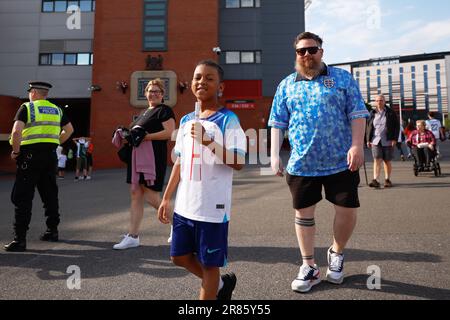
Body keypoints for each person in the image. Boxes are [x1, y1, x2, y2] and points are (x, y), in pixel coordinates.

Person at [269, 32, 369, 293]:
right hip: (302, 163)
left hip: (341, 160)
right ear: (296, 54)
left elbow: (358, 114)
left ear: (321, 52)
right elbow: (277, 123)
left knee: (346, 209)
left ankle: (336, 253)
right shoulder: (287, 84)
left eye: (312, 50)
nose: (306, 55)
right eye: (301, 51)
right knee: (303, 213)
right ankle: (309, 266)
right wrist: (273, 154)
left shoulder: (342, 79)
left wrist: (357, 145)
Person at [158, 60, 246, 300]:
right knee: (179, 257)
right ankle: (219, 288)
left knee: (209, 266)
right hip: (185, 207)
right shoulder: (186, 120)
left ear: (221, 87)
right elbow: (179, 161)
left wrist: (208, 141)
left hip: (212, 210)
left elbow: (238, 162)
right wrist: (166, 198)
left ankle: (211, 289)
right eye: (198, 77)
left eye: (209, 78)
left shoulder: (228, 119)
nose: (201, 82)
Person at [4, 81, 74, 252]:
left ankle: (20, 239)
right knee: (50, 195)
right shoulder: (57, 110)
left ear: (34, 92)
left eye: (30, 92)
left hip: (29, 157)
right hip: (50, 157)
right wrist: (55, 141)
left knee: (23, 198)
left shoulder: (27, 107)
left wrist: (15, 152)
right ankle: (52, 231)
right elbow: (70, 130)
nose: (29, 94)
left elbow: (16, 132)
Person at [113, 78, 176, 250]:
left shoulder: (164, 110)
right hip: (137, 157)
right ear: (145, 93)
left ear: (162, 95)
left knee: (151, 195)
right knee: (135, 193)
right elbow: (137, 134)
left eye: (157, 91)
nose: (153, 93)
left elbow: (169, 132)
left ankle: (179, 226)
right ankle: (132, 236)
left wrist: (146, 136)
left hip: (153, 157)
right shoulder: (143, 112)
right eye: (150, 90)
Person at [366, 94, 400, 188]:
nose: (379, 102)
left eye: (381, 100)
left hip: (388, 139)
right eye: (377, 101)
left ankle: (387, 179)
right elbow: (369, 126)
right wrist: (368, 139)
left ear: (384, 102)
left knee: (386, 160)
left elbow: (396, 127)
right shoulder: (372, 112)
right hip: (375, 140)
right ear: (375, 102)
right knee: (377, 159)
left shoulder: (391, 112)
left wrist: (394, 139)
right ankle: (375, 180)